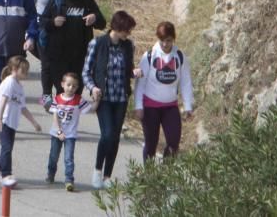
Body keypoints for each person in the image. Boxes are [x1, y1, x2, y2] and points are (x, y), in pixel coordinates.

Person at [82, 10, 137, 190]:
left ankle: (108, 176)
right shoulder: (97, 43)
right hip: (104, 97)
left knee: (114, 137)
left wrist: (134, 73)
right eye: (126, 30)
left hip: (121, 97)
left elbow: (128, 70)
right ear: (117, 27)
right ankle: (97, 170)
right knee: (107, 134)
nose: (127, 34)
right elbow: (86, 72)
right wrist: (93, 87)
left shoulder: (128, 46)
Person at [133, 21, 195, 162]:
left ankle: (165, 175)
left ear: (173, 39)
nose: (165, 44)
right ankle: (148, 178)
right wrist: (138, 106)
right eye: (162, 41)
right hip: (150, 107)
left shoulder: (180, 57)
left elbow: (186, 82)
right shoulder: (149, 56)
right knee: (151, 145)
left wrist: (188, 106)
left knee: (173, 144)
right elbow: (140, 83)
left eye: (168, 40)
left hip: (170, 107)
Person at [39, 0, 106, 97]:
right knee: (62, 91)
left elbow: (102, 23)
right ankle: (59, 111)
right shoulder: (56, 0)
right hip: (58, 56)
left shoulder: (87, 2)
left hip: (79, 56)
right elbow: (42, 22)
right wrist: (53, 22)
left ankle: (71, 113)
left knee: (76, 91)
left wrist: (94, 18)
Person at [0, 56, 42, 188]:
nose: (26, 73)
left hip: (12, 122)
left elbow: (23, 107)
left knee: (7, 148)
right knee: (7, 148)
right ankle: (5, 174)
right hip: (4, 121)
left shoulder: (19, 86)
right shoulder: (9, 82)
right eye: (23, 70)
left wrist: (34, 123)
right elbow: (3, 101)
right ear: (14, 69)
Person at [46, 72, 93, 191]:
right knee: (53, 156)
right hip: (57, 133)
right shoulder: (57, 99)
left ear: (77, 87)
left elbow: (90, 109)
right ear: (62, 84)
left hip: (70, 135)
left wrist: (96, 101)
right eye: (68, 85)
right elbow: (55, 118)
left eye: (74, 86)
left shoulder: (78, 100)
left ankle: (69, 180)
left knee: (69, 158)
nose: (71, 88)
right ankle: (50, 174)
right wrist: (59, 132)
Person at [29, 0, 66, 96]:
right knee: (46, 64)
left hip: (60, 32)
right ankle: (46, 95)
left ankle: (60, 94)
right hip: (42, 29)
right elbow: (30, 6)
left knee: (56, 64)